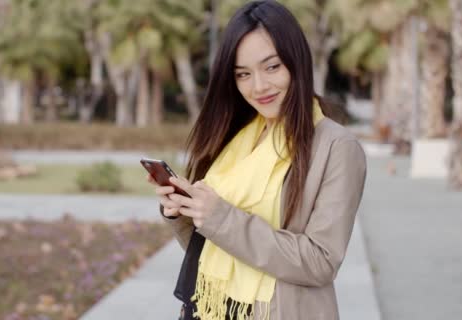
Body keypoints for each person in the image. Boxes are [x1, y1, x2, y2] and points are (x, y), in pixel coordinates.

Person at [146, 1, 367, 319]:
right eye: (243, 74)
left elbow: (321, 261)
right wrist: (182, 212)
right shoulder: (236, 137)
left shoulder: (336, 147)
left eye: (272, 67)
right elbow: (216, 250)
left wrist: (221, 218)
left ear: (297, 61)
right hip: (207, 308)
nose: (259, 86)